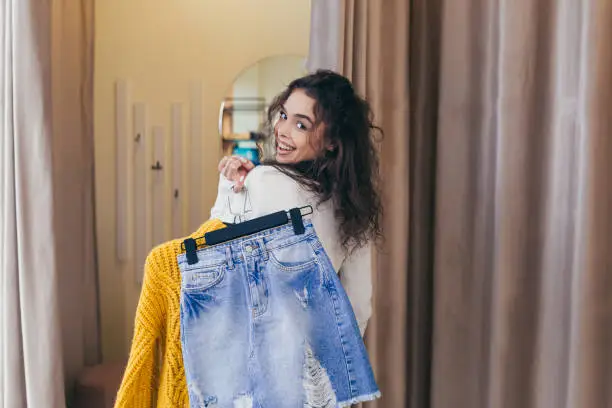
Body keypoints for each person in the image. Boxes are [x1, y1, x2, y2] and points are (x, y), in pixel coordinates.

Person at [210, 69, 382, 335]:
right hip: (312, 361)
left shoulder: (264, 181)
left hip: (252, 352)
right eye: (283, 116)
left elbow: (215, 258)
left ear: (332, 142)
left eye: (301, 125)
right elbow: (358, 308)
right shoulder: (352, 207)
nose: (282, 131)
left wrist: (229, 186)